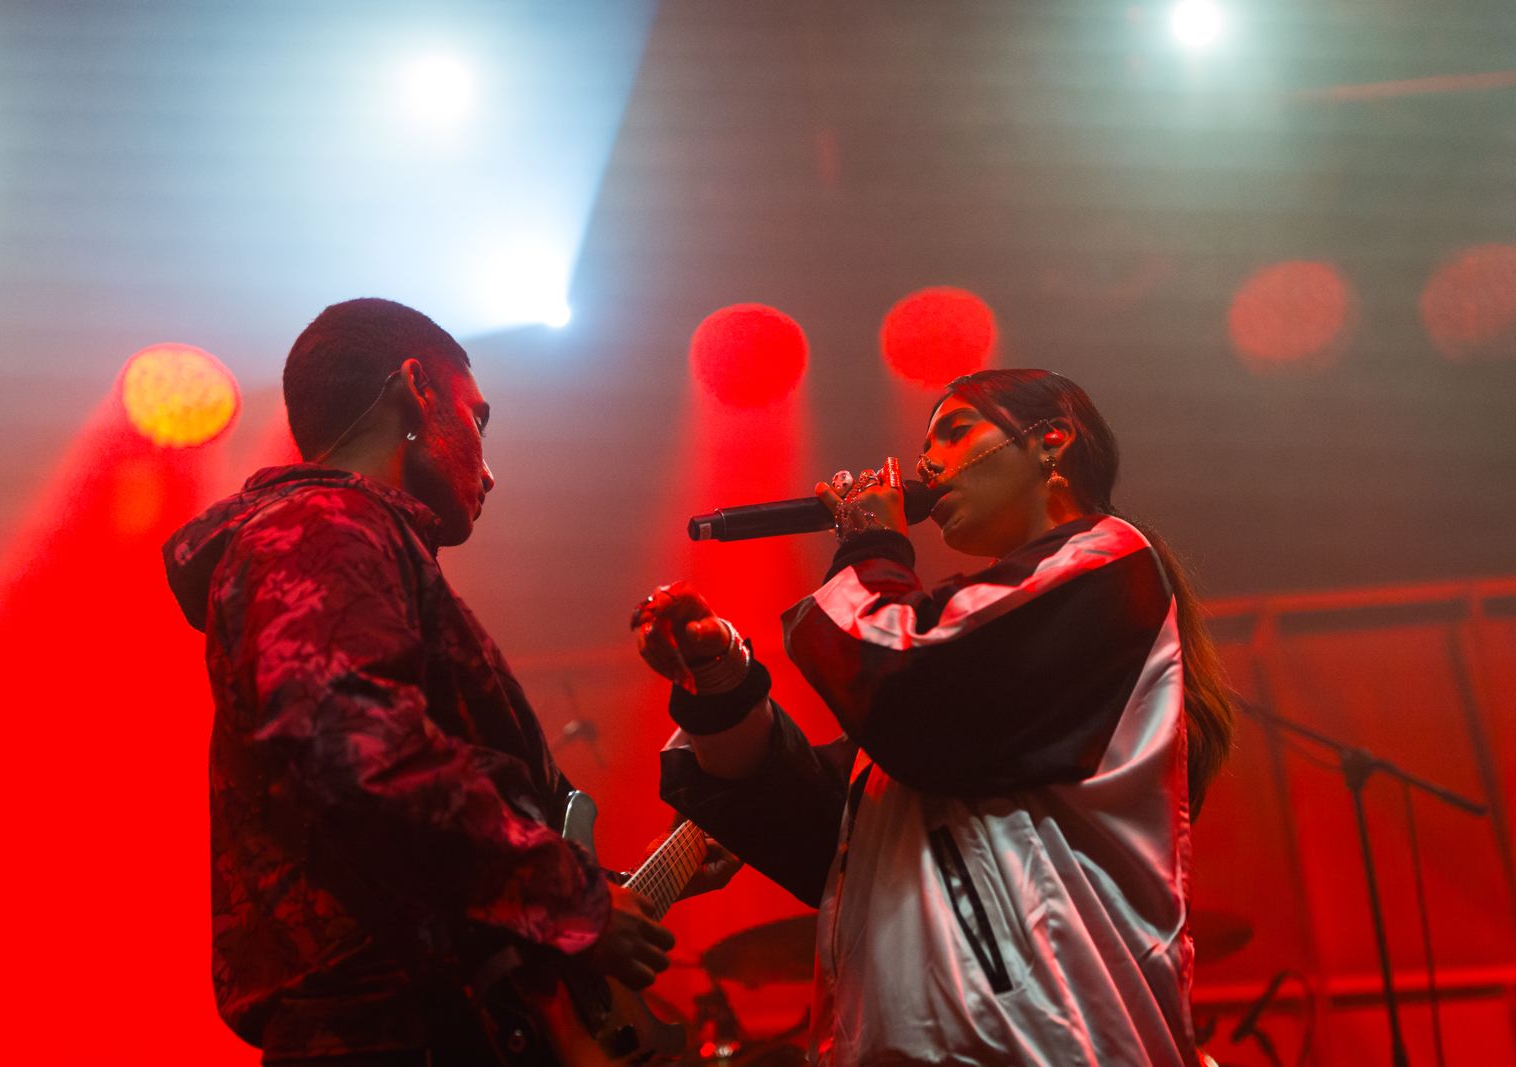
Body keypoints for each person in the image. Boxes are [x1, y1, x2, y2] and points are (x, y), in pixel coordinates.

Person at [634, 368, 1235, 1066]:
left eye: (955, 431)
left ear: (1051, 440)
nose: (925, 465)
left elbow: (906, 685)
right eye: (926, 444)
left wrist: (870, 547)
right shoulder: (968, 640)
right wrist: (719, 677)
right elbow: (817, 826)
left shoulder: (1105, 559)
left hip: (1044, 1038)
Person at [164, 298, 680, 1065]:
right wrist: (568, 899)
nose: (490, 469)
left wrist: (611, 886)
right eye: (479, 418)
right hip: (385, 1032)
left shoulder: (348, 537)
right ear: (416, 388)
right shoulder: (321, 529)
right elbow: (354, 752)